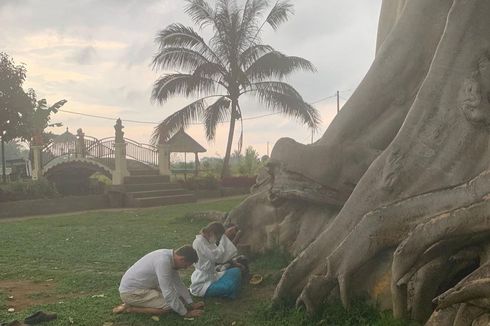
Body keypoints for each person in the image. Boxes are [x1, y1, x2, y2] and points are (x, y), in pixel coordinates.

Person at [112, 245, 204, 318]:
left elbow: (178, 284)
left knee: (178, 299)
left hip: (145, 288)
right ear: (182, 259)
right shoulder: (163, 262)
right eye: (185, 265)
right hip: (132, 293)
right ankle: (130, 308)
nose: (185, 268)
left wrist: (191, 304)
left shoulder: (170, 257)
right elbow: (167, 292)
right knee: (168, 307)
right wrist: (185, 313)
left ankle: (135, 303)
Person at [190, 222, 243, 299]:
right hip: (203, 281)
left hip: (213, 275)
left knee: (236, 271)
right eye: (217, 237)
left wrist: (226, 238)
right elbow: (216, 257)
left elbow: (221, 256)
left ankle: (226, 289)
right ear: (211, 233)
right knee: (230, 286)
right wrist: (225, 238)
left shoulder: (207, 241)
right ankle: (226, 290)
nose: (216, 240)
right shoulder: (199, 243)